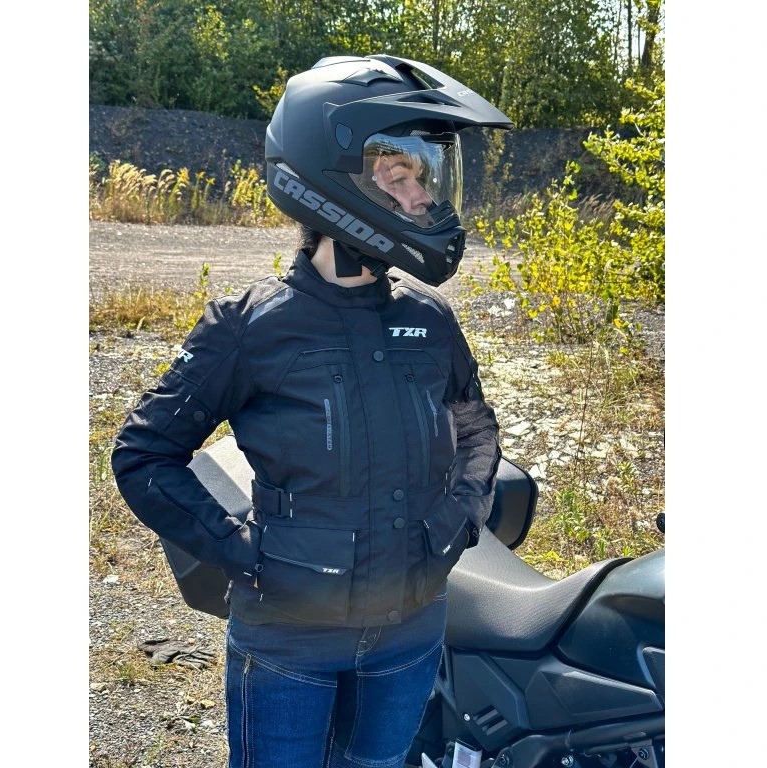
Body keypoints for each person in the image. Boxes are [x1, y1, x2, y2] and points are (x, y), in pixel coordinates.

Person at [111, 54, 514, 768]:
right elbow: (144, 455)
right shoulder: (251, 327)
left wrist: (457, 522)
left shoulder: (428, 320)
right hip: (288, 643)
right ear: (334, 180)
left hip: (410, 635)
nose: (422, 195)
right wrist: (246, 552)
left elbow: (475, 426)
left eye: (425, 176)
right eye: (400, 176)